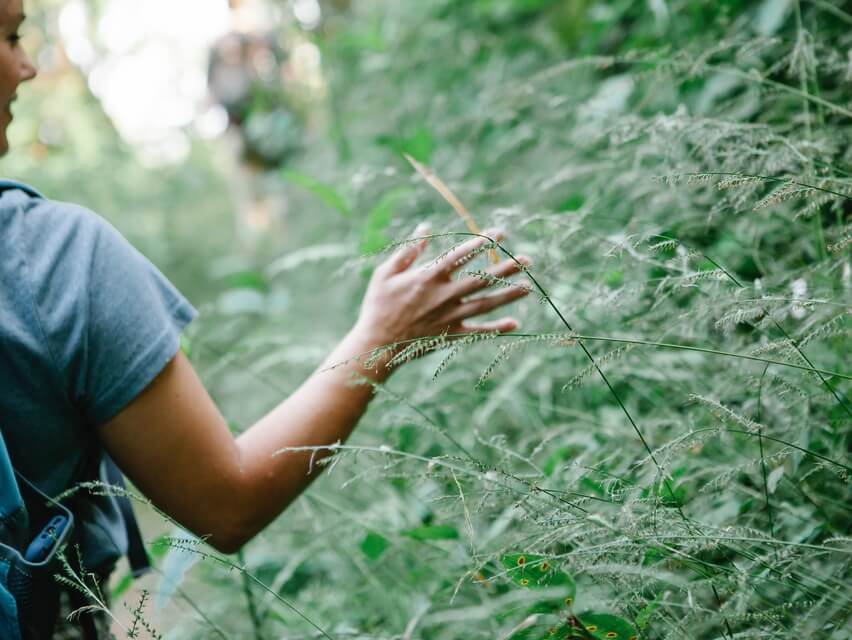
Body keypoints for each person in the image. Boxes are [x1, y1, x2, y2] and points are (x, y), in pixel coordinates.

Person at [0, 0, 530, 637]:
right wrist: (381, 336)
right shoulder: (54, 257)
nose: (28, 66)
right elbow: (227, 502)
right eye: (11, 36)